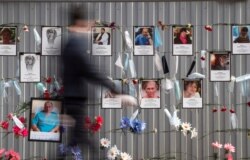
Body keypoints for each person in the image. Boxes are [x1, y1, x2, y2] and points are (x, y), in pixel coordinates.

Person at [61, 5, 122, 159]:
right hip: (75, 99)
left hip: (73, 99)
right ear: (80, 23)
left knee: (77, 138)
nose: (89, 27)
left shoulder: (72, 43)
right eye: (86, 23)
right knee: (82, 138)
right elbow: (89, 70)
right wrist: (111, 85)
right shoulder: (74, 44)